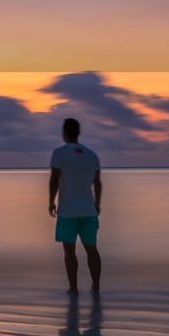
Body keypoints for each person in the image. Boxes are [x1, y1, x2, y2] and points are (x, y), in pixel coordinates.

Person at [47, 117, 102, 292]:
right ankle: (96, 285)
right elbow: (98, 183)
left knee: (69, 252)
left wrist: (51, 201)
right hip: (88, 210)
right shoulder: (92, 155)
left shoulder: (59, 153)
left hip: (67, 211)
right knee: (91, 249)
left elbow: (54, 179)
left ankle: (74, 288)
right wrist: (97, 204)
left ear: (64, 133)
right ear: (78, 133)